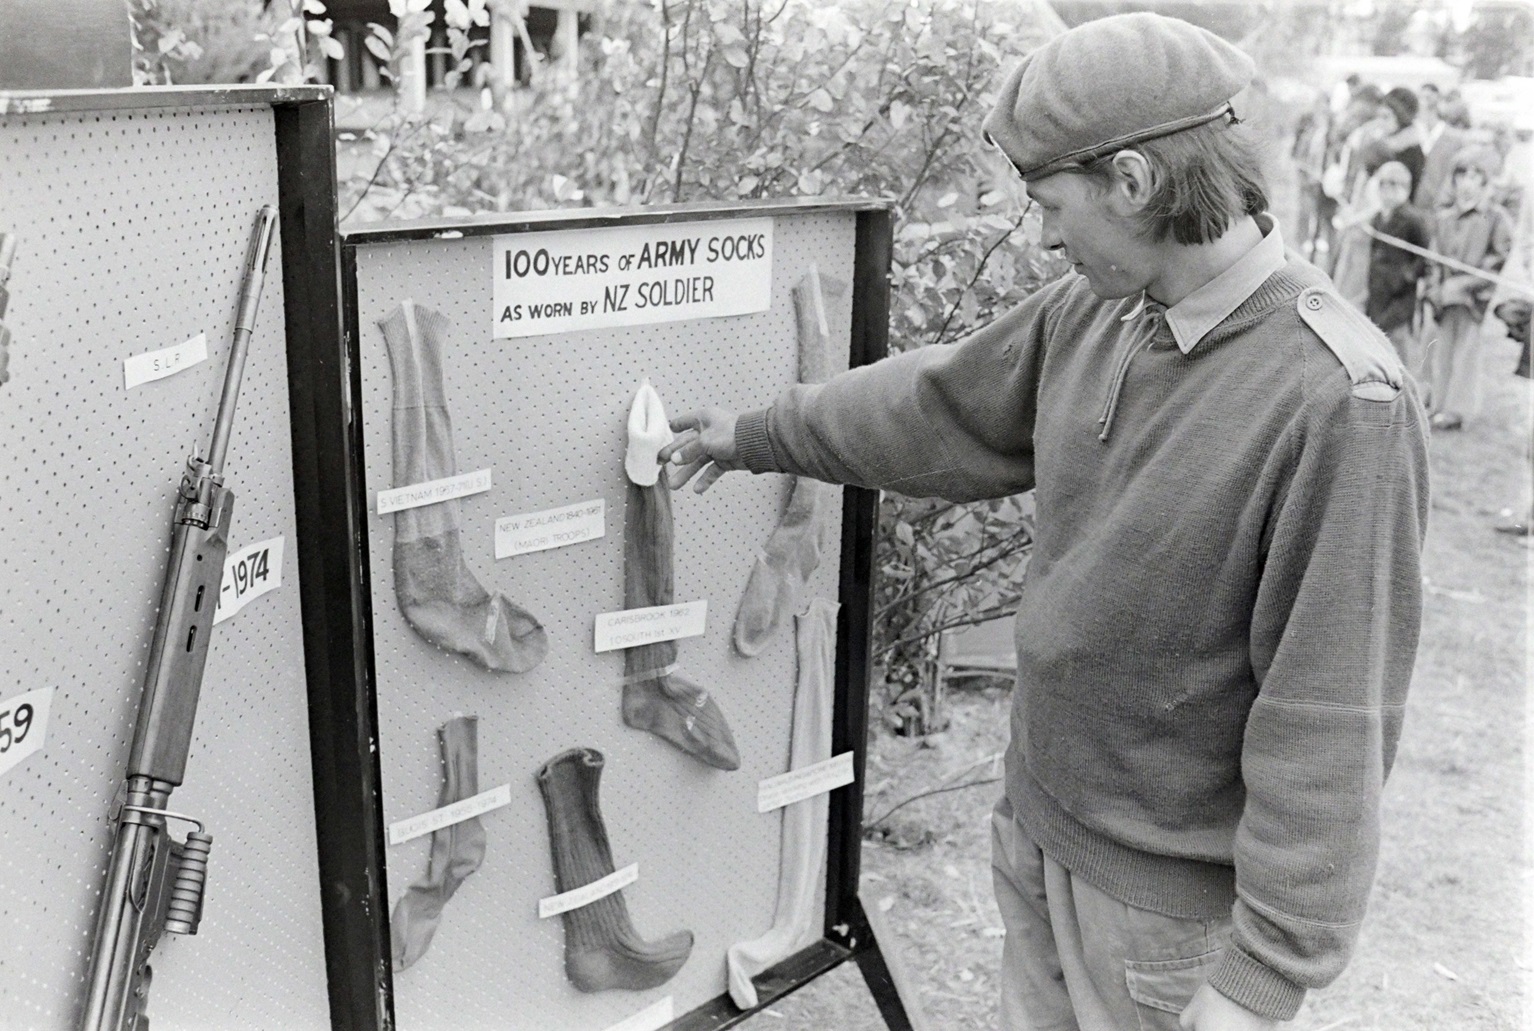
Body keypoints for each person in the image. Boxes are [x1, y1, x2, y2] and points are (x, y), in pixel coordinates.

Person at [661, 13, 1429, 1031]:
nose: (1043, 238)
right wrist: (761, 432)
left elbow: (1329, 710)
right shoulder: (1099, 309)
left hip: (1166, 913)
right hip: (1038, 825)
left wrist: (1265, 972)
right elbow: (936, 406)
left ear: (1133, 181)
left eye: (1050, 205)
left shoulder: (1337, 398)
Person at [1424, 144, 1514, 430]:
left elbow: (1496, 261)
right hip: (1443, 298)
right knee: (1440, 350)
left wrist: (1463, 285)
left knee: (1465, 353)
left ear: (1485, 183)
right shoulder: (1444, 218)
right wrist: (1436, 288)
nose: (1467, 184)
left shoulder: (1495, 218)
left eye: (1475, 177)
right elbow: (1433, 259)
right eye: (1461, 176)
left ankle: (1456, 410)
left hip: (1472, 299)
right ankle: (1436, 403)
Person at [1364, 160, 1431, 362]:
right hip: (1378, 290)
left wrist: (1406, 276)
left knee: (1398, 344)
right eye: (1383, 186)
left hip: (1400, 295)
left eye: (1393, 186)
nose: (1387, 192)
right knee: (1375, 338)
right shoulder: (1378, 218)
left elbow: (1424, 257)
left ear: (1406, 189)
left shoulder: (1413, 220)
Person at [1414, 82, 1468, 212]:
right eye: (1422, 98)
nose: (1425, 102)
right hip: (1412, 211)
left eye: (1429, 98)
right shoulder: (1410, 135)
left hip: (1441, 211)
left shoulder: (1455, 139)